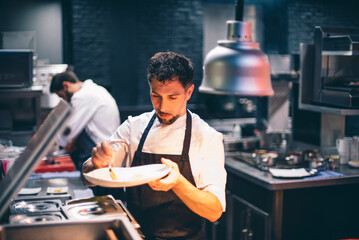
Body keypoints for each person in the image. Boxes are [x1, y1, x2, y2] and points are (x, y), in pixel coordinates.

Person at [84, 52, 226, 240]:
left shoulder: (207, 137)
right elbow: (88, 177)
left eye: (172, 97)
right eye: (155, 95)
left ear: (189, 92)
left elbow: (214, 211)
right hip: (136, 235)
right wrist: (96, 165)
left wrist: (178, 183)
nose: (162, 106)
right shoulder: (133, 127)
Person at [50, 70, 120, 170]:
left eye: (61, 96)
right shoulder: (94, 90)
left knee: (89, 179)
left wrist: (44, 144)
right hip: (106, 146)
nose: (64, 100)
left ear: (66, 85)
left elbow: (66, 133)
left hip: (99, 149)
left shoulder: (82, 97)